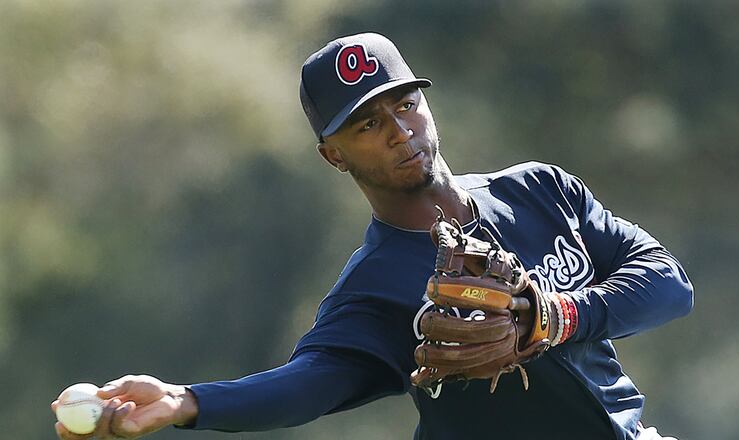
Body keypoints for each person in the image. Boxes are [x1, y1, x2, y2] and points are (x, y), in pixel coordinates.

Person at [52, 32, 693, 440]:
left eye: (404, 104)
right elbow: (304, 384)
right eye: (365, 124)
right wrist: (186, 400)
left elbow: (668, 283)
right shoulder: (373, 290)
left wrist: (556, 316)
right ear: (333, 155)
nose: (398, 129)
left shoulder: (538, 189)